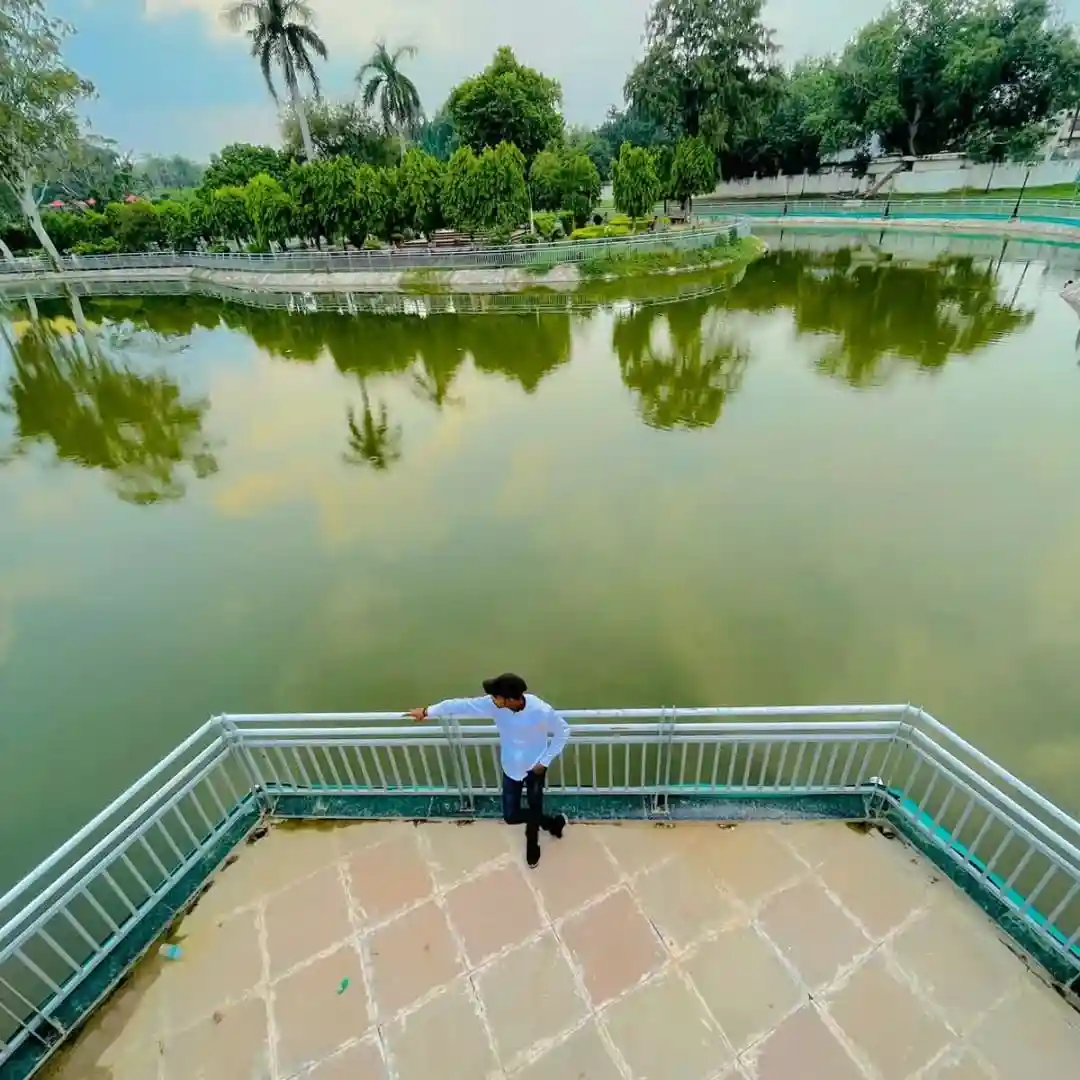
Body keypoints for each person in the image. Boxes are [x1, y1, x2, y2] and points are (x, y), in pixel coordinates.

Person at [408, 674, 570, 868]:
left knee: (534, 808)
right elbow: (459, 705)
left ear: (510, 699)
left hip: (535, 768)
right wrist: (427, 711)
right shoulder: (495, 705)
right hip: (511, 767)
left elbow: (563, 731)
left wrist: (544, 761)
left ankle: (532, 845)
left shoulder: (540, 710)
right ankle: (553, 823)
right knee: (510, 816)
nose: (492, 700)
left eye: (496, 697)